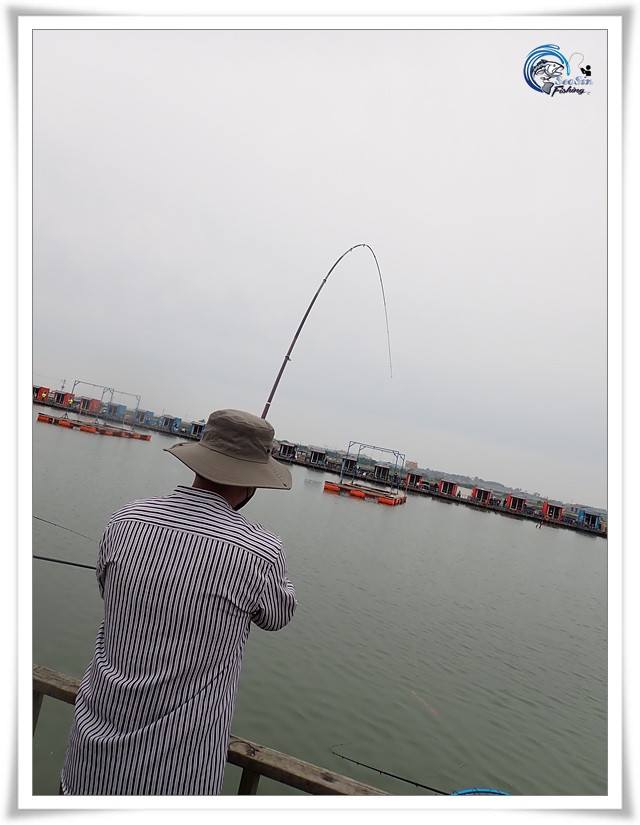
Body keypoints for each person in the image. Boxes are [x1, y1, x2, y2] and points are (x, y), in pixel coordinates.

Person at [61, 409, 296, 795]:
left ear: (199, 461)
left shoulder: (125, 519)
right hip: (177, 777)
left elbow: (107, 590)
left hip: (90, 763)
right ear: (254, 482)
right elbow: (278, 614)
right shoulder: (261, 550)